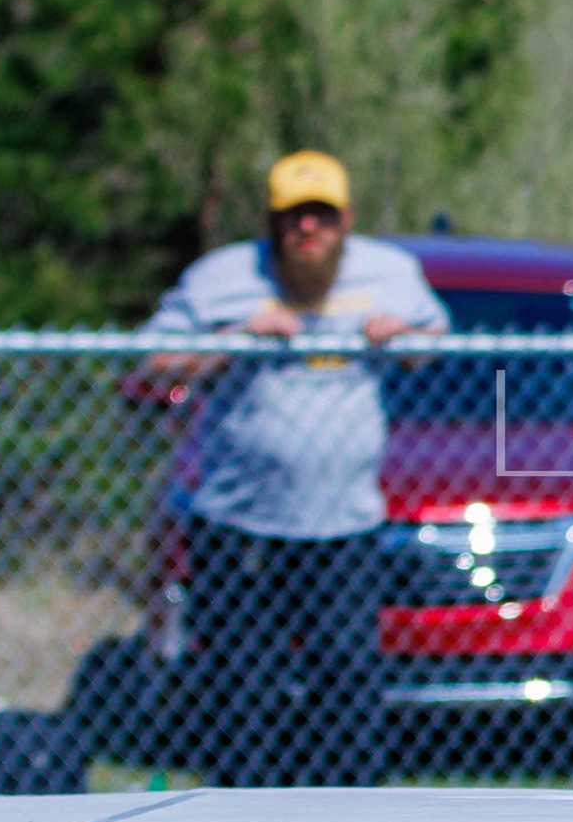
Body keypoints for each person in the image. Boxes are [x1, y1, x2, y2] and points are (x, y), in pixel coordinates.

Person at [135, 151, 447, 786]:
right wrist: (236, 338)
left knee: (347, 676)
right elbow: (152, 362)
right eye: (293, 216)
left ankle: (348, 816)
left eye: (322, 216)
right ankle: (241, 816)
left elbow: (436, 341)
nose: (308, 229)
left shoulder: (390, 274)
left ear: (346, 220)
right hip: (239, 522)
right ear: (271, 222)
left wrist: (405, 339)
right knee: (241, 684)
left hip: (344, 524)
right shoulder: (221, 279)